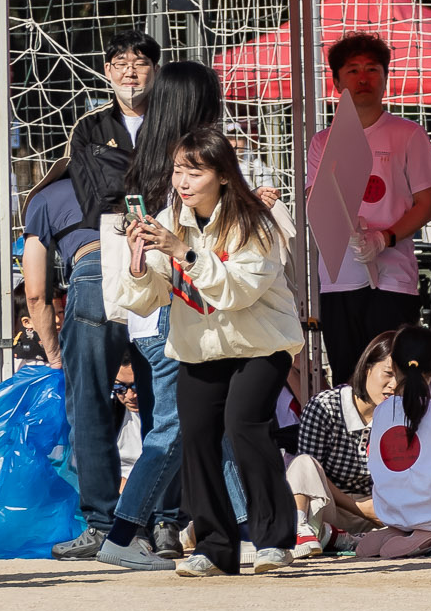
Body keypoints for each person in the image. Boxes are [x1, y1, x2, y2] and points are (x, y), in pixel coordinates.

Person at [115, 124, 305, 578]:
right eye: (179, 170)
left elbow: (236, 291)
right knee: (196, 435)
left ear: (223, 175)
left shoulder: (256, 221)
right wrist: (139, 263)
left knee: (244, 423)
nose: (182, 182)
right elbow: (146, 299)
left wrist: (183, 251)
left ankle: (274, 539)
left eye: (195, 172)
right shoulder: (167, 218)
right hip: (200, 348)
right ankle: (215, 547)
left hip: (262, 343)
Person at [99, 60, 231, 569]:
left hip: (152, 310)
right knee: (177, 426)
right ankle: (123, 534)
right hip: (181, 309)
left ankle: (258, 529)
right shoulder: (191, 164)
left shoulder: (150, 159)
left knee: (214, 423)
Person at [308, 33, 431, 400]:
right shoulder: (322, 141)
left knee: (392, 379)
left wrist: (384, 238)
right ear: (336, 81)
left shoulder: (408, 134)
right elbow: (314, 199)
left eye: (372, 70)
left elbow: (426, 205)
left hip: (394, 280)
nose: (363, 78)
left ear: (385, 77)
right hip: (338, 279)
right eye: (352, 71)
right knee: (346, 377)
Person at [19, 157, 128, 559]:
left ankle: (102, 526)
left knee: (89, 407)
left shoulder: (45, 199)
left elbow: (35, 292)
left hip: (93, 273)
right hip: (150, 275)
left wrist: (52, 353)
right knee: (161, 406)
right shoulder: (136, 184)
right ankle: (165, 524)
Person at [356, 325, 431, 559]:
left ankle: (393, 531)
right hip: (430, 509)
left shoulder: (381, 412)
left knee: (411, 497)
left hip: (389, 507)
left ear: (395, 365)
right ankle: (424, 537)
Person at [288, 331, 398, 556]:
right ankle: (303, 529)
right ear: (367, 367)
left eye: (402, 378)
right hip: (328, 505)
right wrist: (360, 508)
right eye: (388, 373)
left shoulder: (401, 412)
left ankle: (330, 536)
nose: (394, 384)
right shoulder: (324, 406)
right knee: (303, 463)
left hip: (377, 513)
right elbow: (310, 474)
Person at [66, 29, 159, 224]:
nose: (130, 72)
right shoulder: (88, 126)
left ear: (156, 70)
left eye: (141, 64)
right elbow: (82, 188)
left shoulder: (169, 121)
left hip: (163, 224)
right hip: (107, 227)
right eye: (121, 64)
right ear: (108, 69)